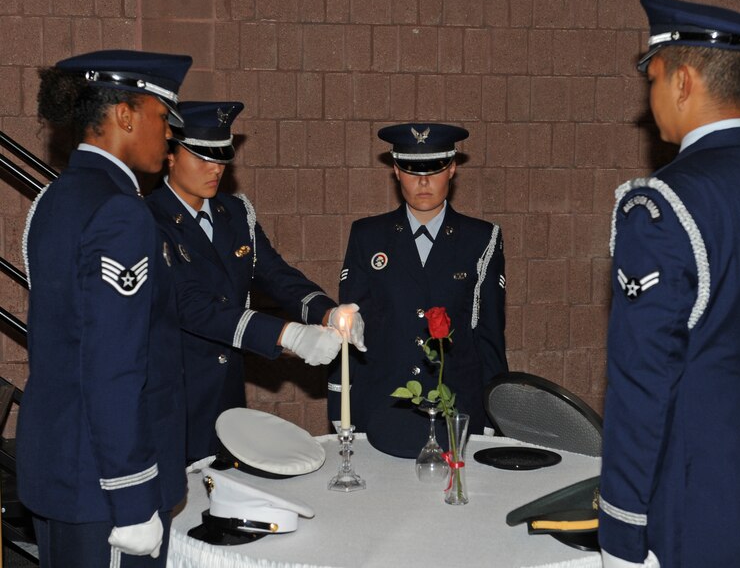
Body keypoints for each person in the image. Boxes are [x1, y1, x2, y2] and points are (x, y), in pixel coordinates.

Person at [598, 0, 740, 568]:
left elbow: (641, 383)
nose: (650, 98)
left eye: (652, 79)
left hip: (688, 512)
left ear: (682, 81)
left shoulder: (660, 208)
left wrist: (622, 528)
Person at [18, 50, 192, 567]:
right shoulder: (121, 212)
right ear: (125, 115)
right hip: (107, 487)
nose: (169, 134)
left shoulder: (57, 198)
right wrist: (133, 497)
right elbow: (113, 365)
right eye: (162, 117)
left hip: (64, 468)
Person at [145, 100, 365, 462]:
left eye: (221, 158)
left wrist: (328, 313)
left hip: (227, 393)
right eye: (202, 157)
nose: (215, 169)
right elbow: (192, 305)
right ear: (170, 155)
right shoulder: (147, 219)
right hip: (175, 391)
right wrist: (288, 335)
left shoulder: (234, 213)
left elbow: (276, 276)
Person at [328, 123, 508, 457]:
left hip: (456, 415)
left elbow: (489, 336)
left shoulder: (481, 239)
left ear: (452, 168)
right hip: (383, 410)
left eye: (434, 169)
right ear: (396, 171)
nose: (423, 182)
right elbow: (349, 332)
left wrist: (494, 415)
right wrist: (340, 404)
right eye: (412, 170)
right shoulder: (368, 236)